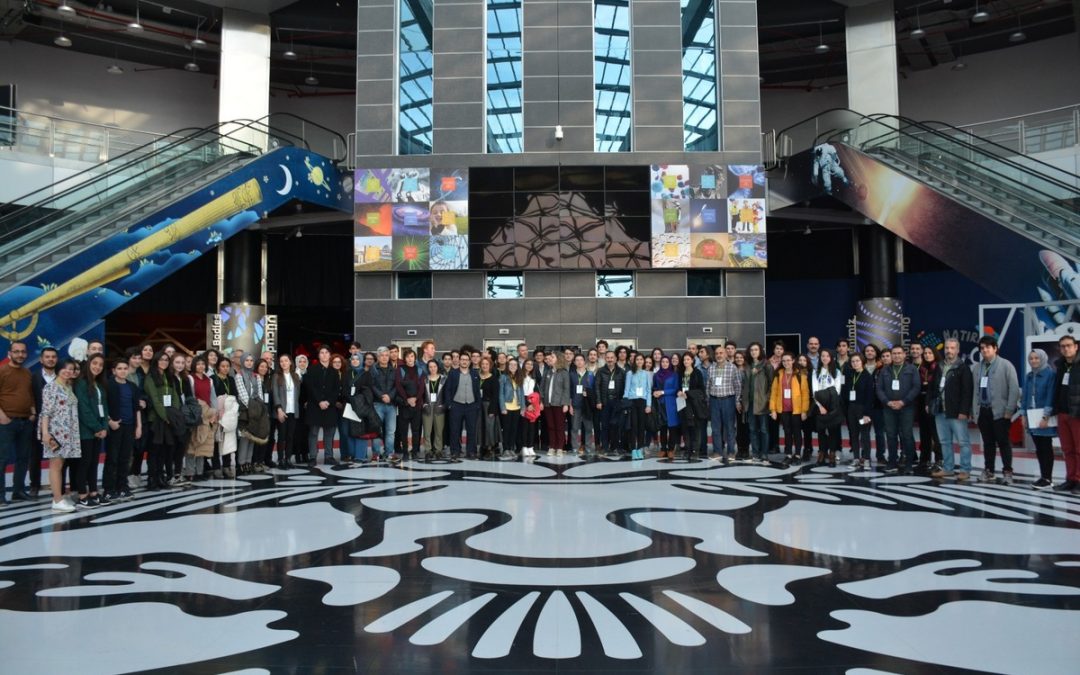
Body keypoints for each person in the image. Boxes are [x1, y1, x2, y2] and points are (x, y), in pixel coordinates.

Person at [972, 336, 1019, 484]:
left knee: (1004, 442)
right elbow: (974, 391)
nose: (984, 350)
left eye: (987, 347)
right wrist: (974, 411)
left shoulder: (1006, 365)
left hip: (1000, 412)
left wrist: (1010, 409)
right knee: (988, 443)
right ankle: (989, 470)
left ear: (995, 348)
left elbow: (1014, 389)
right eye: (982, 348)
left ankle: (1007, 471)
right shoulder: (977, 368)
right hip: (983, 411)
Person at [928, 338, 975, 481]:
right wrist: (929, 402)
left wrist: (964, 411)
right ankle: (948, 468)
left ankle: (965, 469)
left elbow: (968, 391)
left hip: (956, 412)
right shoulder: (939, 366)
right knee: (944, 441)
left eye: (952, 348)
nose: (949, 350)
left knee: (963, 442)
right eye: (947, 348)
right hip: (940, 411)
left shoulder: (963, 368)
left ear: (958, 350)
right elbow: (932, 387)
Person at [40, 359, 81, 512]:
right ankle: (57, 500)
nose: (68, 371)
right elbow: (46, 412)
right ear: (58, 369)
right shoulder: (51, 387)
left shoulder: (68, 386)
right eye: (64, 368)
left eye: (71, 369)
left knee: (60, 465)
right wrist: (45, 433)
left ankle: (59, 498)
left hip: (67, 433)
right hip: (55, 432)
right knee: (55, 465)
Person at [0, 340, 35, 505]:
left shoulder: (27, 373)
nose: (20, 354)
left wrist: (33, 412)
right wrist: (2, 416)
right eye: (16, 351)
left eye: (23, 351)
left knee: (23, 458)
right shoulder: (2, 371)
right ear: (10, 353)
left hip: (25, 421)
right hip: (6, 422)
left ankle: (18, 491)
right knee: (2, 459)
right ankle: (0, 495)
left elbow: (30, 394)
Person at [877, 345, 920, 474]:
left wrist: (903, 402)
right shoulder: (884, 370)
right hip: (888, 408)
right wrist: (887, 402)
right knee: (890, 435)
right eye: (894, 353)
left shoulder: (912, 369)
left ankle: (908, 463)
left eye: (899, 353)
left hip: (907, 407)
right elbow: (879, 389)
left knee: (906, 435)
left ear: (904, 355)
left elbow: (916, 387)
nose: (896, 356)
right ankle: (892, 462)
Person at [143, 350, 183, 490]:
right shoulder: (150, 378)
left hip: (169, 419)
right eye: (161, 359)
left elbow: (175, 397)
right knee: (154, 451)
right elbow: (154, 399)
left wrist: (174, 414)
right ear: (156, 361)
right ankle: (152, 479)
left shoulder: (169, 377)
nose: (164, 362)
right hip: (156, 419)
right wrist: (165, 417)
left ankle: (161, 477)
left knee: (165, 451)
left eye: (166, 360)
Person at [73, 354, 109, 507]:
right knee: (85, 463)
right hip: (86, 431)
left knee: (94, 463)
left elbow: (104, 408)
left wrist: (104, 428)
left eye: (100, 365)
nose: (97, 367)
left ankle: (94, 492)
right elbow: (84, 409)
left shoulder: (99, 385)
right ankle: (82, 495)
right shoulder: (81, 383)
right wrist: (96, 428)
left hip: (98, 430)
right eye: (95, 363)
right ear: (88, 364)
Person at [1021, 348, 1057, 490]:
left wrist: (1045, 416)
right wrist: (1023, 414)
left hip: (1044, 417)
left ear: (1042, 358)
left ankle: (1048, 478)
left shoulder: (1050, 374)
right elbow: (1025, 396)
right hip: (1031, 416)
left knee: (1046, 447)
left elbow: (1051, 395)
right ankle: (1043, 476)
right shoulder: (1029, 375)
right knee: (1039, 448)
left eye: (1036, 358)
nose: (1034, 361)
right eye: (1031, 358)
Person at [28, 346, 58, 499]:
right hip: (38, 422)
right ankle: (34, 486)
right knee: (35, 456)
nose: (50, 359)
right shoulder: (33, 377)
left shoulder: (62, 376)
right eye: (47, 356)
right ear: (41, 359)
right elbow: (30, 397)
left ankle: (58, 486)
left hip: (59, 424)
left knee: (59, 456)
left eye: (53, 356)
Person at [305, 346, 343, 466]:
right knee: (313, 433)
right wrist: (319, 401)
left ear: (330, 355)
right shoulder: (312, 369)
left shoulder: (334, 371)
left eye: (327, 352)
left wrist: (328, 402)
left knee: (329, 432)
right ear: (319, 355)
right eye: (322, 352)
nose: (324, 355)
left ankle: (329, 456)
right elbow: (310, 388)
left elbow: (336, 390)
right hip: (315, 406)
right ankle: (312, 457)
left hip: (329, 406)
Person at [1052, 334, 1080, 492]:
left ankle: (1079, 479)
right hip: (1062, 413)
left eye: (1069, 345)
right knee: (1067, 449)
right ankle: (1070, 479)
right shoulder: (1060, 365)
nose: (1066, 348)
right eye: (1062, 346)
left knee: (1079, 449)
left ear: (1076, 346)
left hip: (1077, 414)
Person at [769, 353, 808, 463]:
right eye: (784, 361)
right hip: (783, 409)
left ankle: (797, 455)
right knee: (787, 432)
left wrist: (804, 411)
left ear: (793, 361)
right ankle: (789, 454)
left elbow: (805, 394)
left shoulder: (800, 375)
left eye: (788, 360)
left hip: (797, 409)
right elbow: (774, 393)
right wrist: (773, 410)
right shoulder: (778, 374)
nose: (786, 363)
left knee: (797, 432)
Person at [445, 349, 482, 459]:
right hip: (456, 405)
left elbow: (477, 390)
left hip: (471, 405)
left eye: (466, 360)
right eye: (462, 359)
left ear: (469, 362)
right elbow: (448, 389)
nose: (464, 361)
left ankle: (471, 451)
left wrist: (477, 404)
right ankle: (455, 451)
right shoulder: (453, 373)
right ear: (459, 361)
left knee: (471, 429)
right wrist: (449, 404)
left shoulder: (475, 374)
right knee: (455, 429)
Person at [841, 353, 875, 470]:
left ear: (862, 362)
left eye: (857, 361)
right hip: (851, 408)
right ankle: (856, 458)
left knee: (864, 435)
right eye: (853, 361)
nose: (855, 363)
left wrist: (867, 414)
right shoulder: (850, 375)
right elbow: (845, 392)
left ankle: (866, 459)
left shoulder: (867, 376)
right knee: (853, 434)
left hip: (863, 409)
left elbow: (870, 397)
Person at [707, 345, 740, 462]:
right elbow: (708, 386)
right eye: (717, 353)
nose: (719, 355)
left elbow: (737, 386)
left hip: (728, 400)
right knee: (715, 428)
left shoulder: (732, 368)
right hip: (714, 400)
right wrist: (708, 401)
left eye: (721, 353)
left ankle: (731, 452)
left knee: (730, 427)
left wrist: (737, 401)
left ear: (726, 354)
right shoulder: (711, 368)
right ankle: (718, 451)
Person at [741, 342, 773, 463]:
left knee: (764, 429)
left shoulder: (766, 365)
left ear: (760, 351)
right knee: (752, 429)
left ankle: (764, 454)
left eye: (756, 350)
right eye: (752, 350)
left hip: (762, 403)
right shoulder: (747, 366)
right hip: (750, 403)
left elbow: (771, 384)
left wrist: (768, 399)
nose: (753, 352)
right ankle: (755, 453)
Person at [811, 349, 843, 467]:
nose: (825, 358)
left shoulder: (837, 372)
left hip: (833, 405)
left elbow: (837, 390)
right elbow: (814, 391)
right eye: (823, 356)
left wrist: (829, 405)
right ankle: (822, 452)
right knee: (821, 431)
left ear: (832, 358)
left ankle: (832, 453)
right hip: (819, 406)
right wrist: (820, 406)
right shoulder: (815, 372)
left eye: (827, 356)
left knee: (833, 431)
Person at [916, 346, 943, 473]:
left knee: (936, 434)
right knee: (924, 434)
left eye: (929, 353)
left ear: (935, 354)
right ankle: (924, 459)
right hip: (921, 404)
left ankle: (939, 460)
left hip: (934, 404)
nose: (927, 355)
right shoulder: (921, 368)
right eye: (925, 353)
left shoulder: (939, 367)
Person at [272, 354, 301, 469]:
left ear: (290, 362)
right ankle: (280, 459)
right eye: (281, 361)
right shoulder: (276, 376)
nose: (283, 363)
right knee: (282, 436)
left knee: (290, 436)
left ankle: (288, 459)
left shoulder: (295, 376)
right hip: (282, 411)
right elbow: (275, 394)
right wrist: (279, 409)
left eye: (286, 360)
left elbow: (298, 394)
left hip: (293, 410)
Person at [395, 349, 425, 461]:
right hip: (404, 405)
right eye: (407, 357)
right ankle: (405, 453)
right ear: (404, 358)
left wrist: (415, 399)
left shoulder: (420, 370)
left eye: (412, 356)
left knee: (416, 430)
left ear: (415, 357)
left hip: (417, 405)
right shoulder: (400, 370)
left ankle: (415, 451)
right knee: (403, 430)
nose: (410, 359)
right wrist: (407, 399)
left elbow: (422, 387)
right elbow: (398, 386)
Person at [676, 351, 707, 459]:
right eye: (684, 359)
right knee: (685, 428)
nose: (686, 361)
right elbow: (677, 387)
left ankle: (695, 451)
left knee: (695, 428)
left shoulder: (697, 373)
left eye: (688, 359)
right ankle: (687, 450)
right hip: (682, 404)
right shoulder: (680, 373)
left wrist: (688, 394)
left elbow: (701, 390)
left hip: (694, 404)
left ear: (692, 361)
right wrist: (678, 392)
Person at [595, 351, 625, 458]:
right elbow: (597, 387)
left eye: (612, 357)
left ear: (616, 359)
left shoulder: (621, 372)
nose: (610, 359)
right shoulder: (600, 371)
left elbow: (624, 388)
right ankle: (605, 448)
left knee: (616, 426)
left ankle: (615, 447)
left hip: (617, 403)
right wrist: (598, 401)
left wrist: (622, 402)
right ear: (605, 359)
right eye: (608, 358)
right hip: (604, 402)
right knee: (605, 426)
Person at [540, 352, 570, 456]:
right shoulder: (547, 372)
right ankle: (552, 447)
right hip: (548, 404)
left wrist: (566, 404)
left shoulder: (564, 373)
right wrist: (542, 401)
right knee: (551, 426)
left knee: (560, 426)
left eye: (552, 357)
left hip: (559, 404)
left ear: (559, 359)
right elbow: (542, 388)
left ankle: (560, 447)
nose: (550, 359)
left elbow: (567, 389)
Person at [624, 353, 651, 460]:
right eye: (637, 359)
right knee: (634, 426)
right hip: (632, 401)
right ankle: (633, 449)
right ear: (634, 361)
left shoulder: (646, 374)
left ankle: (640, 448)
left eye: (641, 359)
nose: (639, 361)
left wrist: (648, 404)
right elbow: (626, 389)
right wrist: (625, 403)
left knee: (641, 427)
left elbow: (648, 390)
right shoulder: (630, 373)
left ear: (643, 361)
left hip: (643, 402)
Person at [652, 355, 680, 459]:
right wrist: (655, 392)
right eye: (663, 362)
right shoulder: (656, 375)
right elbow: (654, 387)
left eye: (666, 362)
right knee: (663, 427)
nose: (664, 364)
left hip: (671, 403)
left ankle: (671, 449)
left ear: (669, 363)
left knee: (672, 427)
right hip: (660, 403)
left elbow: (676, 389)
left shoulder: (674, 375)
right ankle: (663, 449)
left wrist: (663, 392)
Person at [569, 354, 595, 459]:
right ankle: (575, 447)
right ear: (574, 362)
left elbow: (594, 390)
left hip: (587, 405)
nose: (579, 362)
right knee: (575, 427)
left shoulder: (590, 374)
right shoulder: (571, 374)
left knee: (588, 427)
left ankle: (588, 447)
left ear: (585, 362)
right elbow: (569, 391)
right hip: (575, 404)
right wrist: (570, 405)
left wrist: (589, 394)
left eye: (581, 360)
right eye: (577, 360)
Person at [422, 359, 447, 460]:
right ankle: (428, 450)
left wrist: (444, 405)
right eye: (430, 367)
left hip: (439, 406)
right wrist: (423, 404)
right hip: (427, 406)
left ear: (438, 367)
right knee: (427, 431)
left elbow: (447, 394)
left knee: (439, 430)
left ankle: (438, 450)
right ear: (428, 368)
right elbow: (421, 393)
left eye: (434, 366)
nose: (432, 369)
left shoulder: (444, 379)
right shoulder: (424, 379)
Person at [477, 355, 501, 460]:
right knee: (480, 427)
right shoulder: (476, 377)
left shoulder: (494, 378)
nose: (484, 366)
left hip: (489, 406)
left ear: (490, 365)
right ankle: (482, 447)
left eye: (487, 364)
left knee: (490, 428)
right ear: (480, 365)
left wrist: (493, 409)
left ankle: (490, 448)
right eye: (483, 364)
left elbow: (496, 396)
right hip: (478, 406)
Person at [499, 358, 523, 459]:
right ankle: (505, 449)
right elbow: (501, 393)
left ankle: (511, 448)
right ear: (508, 366)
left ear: (517, 367)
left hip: (517, 407)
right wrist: (502, 407)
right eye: (511, 365)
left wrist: (523, 407)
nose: (513, 366)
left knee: (514, 430)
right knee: (507, 429)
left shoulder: (519, 378)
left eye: (515, 365)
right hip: (507, 407)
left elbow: (521, 393)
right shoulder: (503, 377)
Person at [519, 359, 540, 458]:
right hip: (523, 403)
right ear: (524, 365)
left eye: (531, 364)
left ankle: (530, 447)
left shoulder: (534, 378)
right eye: (527, 364)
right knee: (524, 427)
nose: (529, 366)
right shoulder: (520, 377)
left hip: (533, 404)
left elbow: (536, 391)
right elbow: (520, 392)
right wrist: (527, 404)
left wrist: (534, 403)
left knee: (532, 427)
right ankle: (524, 447)